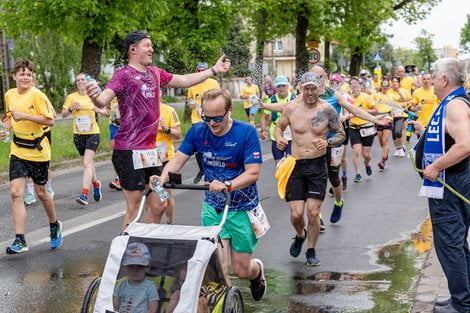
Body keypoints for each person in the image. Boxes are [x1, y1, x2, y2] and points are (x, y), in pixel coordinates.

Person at [87, 30, 230, 230]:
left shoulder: (155, 73)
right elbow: (103, 100)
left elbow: (185, 80)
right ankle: (129, 252)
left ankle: (143, 244)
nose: (152, 49)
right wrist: (94, 96)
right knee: (135, 207)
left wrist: (213, 70)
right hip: (128, 150)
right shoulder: (123, 75)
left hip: (150, 151)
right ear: (133, 49)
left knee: (159, 203)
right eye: (147, 45)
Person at [152, 88, 266, 301]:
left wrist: (228, 184)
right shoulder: (197, 131)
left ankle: (257, 271)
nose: (212, 123)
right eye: (207, 117)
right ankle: (226, 305)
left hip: (242, 208)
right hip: (213, 208)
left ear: (230, 110)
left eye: (217, 118)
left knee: (241, 270)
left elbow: (253, 173)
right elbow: (177, 161)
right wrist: (162, 177)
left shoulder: (246, 132)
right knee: (218, 268)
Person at [410, 58, 470, 313]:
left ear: (444, 79)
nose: (432, 80)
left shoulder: (454, 105)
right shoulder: (455, 101)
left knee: (449, 243)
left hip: (451, 183)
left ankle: (461, 303)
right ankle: (464, 296)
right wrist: (425, 131)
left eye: (434, 76)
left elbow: (465, 144)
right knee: (457, 242)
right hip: (455, 180)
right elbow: (449, 135)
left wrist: (435, 167)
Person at [274, 72, 346, 267]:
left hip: (317, 166)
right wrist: (279, 137)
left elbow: (341, 133)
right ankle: (300, 235)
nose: (311, 92)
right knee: (296, 214)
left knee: (313, 212)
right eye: (307, 88)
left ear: (320, 88)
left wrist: (327, 142)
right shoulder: (291, 108)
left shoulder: (327, 110)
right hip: (296, 166)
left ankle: (311, 250)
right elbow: (279, 127)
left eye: (314, 88)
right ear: (300, 89)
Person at [0, 59, 62, 254]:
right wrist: (5, 129)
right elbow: (10, 117)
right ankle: (20, 239)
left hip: (38, 150)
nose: (25, 77)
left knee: (41, 193)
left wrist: (25, 116)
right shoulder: (9, 94)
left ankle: (54, 225)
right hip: (18, 149)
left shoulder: (37, 95)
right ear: (14, 76)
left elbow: (50, 120)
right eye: (22, 74)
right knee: (15, 192)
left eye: (28, 74)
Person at [62, 73, 107, 205]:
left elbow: (106, 112)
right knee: (88, 164)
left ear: (87, 82)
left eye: (82, 79)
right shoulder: (71, 97)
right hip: (78, 135)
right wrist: (70, 108)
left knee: (87, 163)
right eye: (78, 80)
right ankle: (95, 183)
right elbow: (63, 114)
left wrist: (97, 109)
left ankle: (84, 195)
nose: (80, 82)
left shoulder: (93, 96)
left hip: (93, 133)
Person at [187, 62, 220, 184]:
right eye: (198, 71)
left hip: (211, 119)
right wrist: (191, 104)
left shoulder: (213, 83)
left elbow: (220, 99)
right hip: (197, 120)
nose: (200, 73)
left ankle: (214, 169)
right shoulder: (192, 85)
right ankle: (202, 169)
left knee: (212, 145)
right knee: (197, 147)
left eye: (203, 71)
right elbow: (190, 103)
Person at [155, 97, 182, 224]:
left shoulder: (168, 110)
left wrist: (166, 129)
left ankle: (169, 222)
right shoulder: (142, 109)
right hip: (146, 158)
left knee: (167, 195)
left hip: (166, 157)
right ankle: (153, 223)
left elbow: (178, 134)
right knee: (151, 194)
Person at [259, 75, 296, 167]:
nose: (281, 88)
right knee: (278, 166)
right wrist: (263, 130)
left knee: (290, 164)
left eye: (283, 86)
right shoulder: (271, 99)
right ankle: (281, 180)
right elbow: (264, 117)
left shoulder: (295, 98)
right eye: (279, 86)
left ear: (287, 86)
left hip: (291, 134)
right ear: (275, 87)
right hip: (275, 133)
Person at [113, 242, 159, 313]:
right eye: (131, 266)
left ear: (147, 268)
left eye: (140, 266)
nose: (135, 270)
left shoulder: (150, 287)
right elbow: (115, 309)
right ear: (124, 268)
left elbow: (152, 310)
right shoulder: (120, 286)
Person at [348, 77, 378, 182]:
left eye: (356, 85)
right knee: (356, 151)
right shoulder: (347, 98)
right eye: (352, 85)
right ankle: (358, 173)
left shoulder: (366, 97)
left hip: (367, 127)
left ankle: (367, 163)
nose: (354, 87)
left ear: (361, 87)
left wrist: (363, 111)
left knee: (366, 154)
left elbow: (375, 110)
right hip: (353, 127)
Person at [108, 63, 125, 191]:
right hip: (114, 124)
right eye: (116, 72)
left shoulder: (128, 85)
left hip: (126, 125)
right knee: (116, 152)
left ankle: (124, 177)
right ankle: (118, 178)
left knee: (125, 151)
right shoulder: (111, 87)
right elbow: (107, 109)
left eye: (120, 71)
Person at [371, 78, 394, 170]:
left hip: (388, 118)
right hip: (379, 118)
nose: (385, 87)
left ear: (389, 87)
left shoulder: (391, 95)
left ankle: (383, 161)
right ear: (380, 86)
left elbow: (398, 106)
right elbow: (369, 101)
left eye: (386, 86)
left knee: (384, 140)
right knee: (381, 142)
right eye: (383, 85)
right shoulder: (376, 95)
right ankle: (386, 151)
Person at [387, 76, 412, 157]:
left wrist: (406, 104)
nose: (395, 83)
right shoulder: (388, 92)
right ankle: (398, 149)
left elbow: (409, 100)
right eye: (393, 82)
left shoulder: (404, 91)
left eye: (396, 82)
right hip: (391, 114)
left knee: (398, 131)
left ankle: (401, 148)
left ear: (399, 83)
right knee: (394, 133)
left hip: (401, 114)